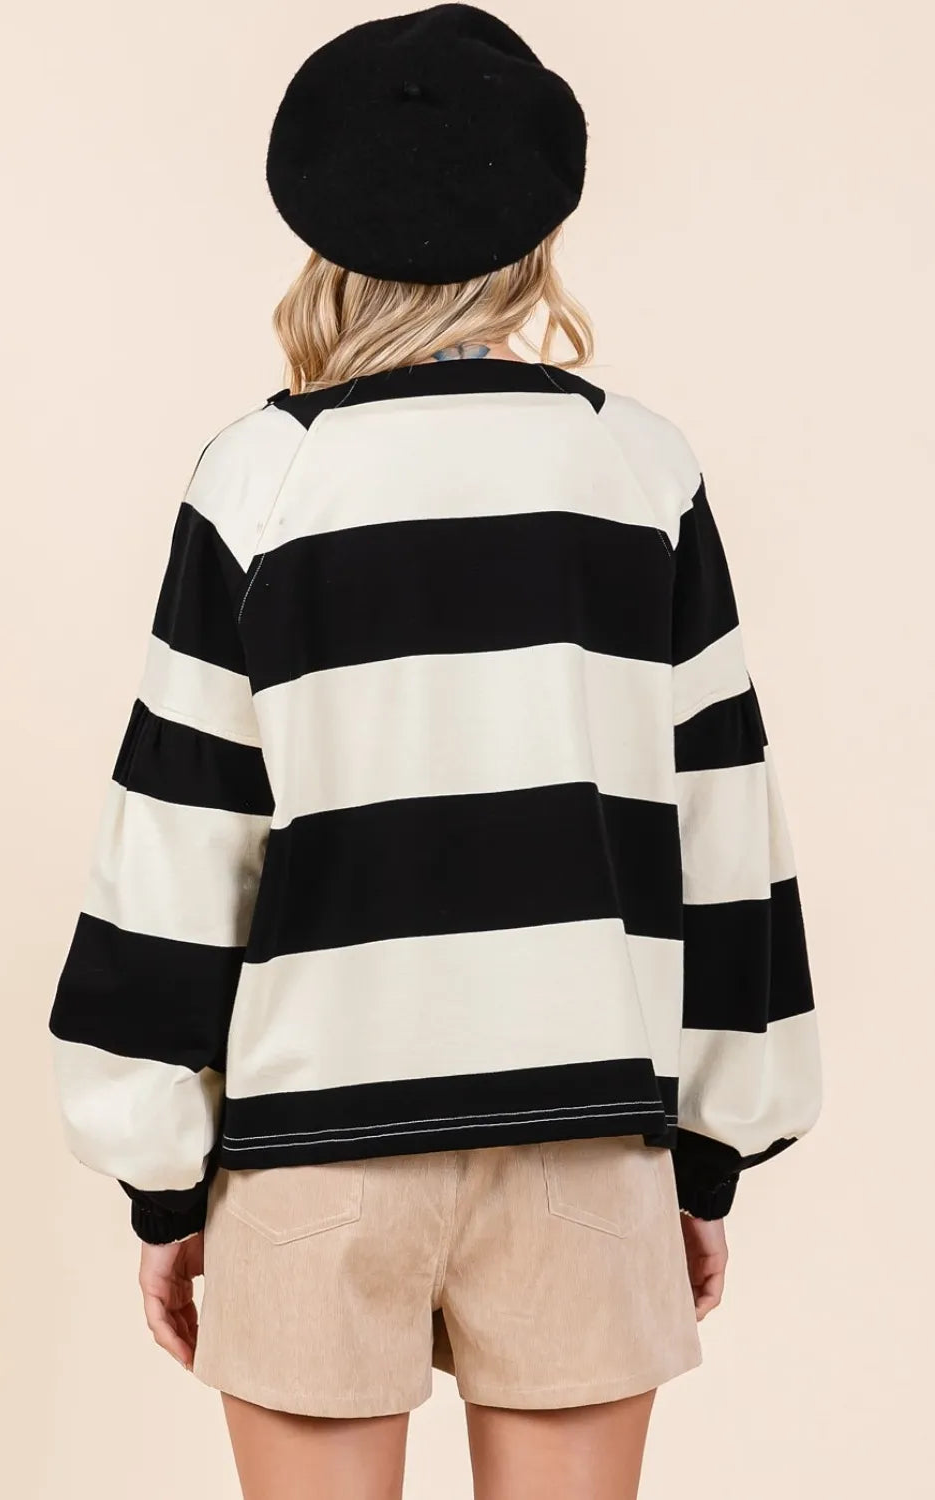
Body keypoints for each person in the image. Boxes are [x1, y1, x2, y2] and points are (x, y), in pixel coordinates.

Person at [47, 6, 823, 1497]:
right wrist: (710, 1152)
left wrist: (160, 1182)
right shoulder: (638, 471)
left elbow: (178, 837)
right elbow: (727, 827)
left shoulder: (261, 481)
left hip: (313, 1150)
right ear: (536, 229)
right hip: (587, 1137)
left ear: (322, 229)